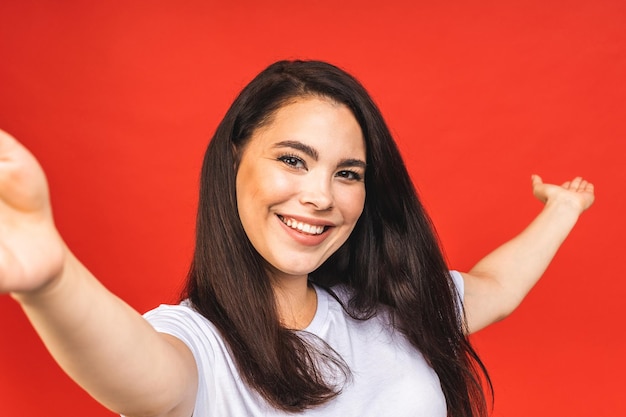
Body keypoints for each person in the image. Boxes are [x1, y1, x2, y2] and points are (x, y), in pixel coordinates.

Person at [0, 60, 594, 417]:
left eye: (347, 174)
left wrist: (562, 210)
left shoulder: (388, 311)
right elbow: (138, 371)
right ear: (236, 159)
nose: (320, 197)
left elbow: (496, 286)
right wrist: (53, 280)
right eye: (292, 159)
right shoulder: (198, 346)